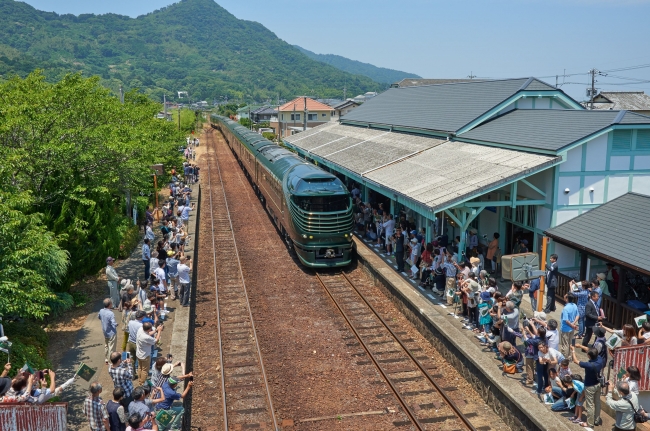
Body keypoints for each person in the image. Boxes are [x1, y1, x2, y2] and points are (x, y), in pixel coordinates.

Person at [570, 345, 604, 428]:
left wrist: (573, 350)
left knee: (590, 405)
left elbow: (575, 361)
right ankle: (596, 419)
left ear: (589, 356)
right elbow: (591, 351)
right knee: (597, 402)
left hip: (590, 386)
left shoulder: (589, 365)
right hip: (598, 384)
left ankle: (589, 423)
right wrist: (580, 346)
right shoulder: (600, 359)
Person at [99, 298, 118, 365]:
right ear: (110, 304)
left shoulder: (101, 311)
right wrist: (116, 324)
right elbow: (113, 323)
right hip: (111, 333)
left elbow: (99, 317)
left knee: (106, 345)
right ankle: (111, 361)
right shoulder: (111, 313)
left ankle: (106, 358)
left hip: (105, 332)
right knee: (111, 347)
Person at [127, 311, 146, 376]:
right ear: (141, 317)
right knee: (140, 359)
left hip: (130, 342)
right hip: (137, 344)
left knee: (132, 358)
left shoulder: (130, 322)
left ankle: (132, 374)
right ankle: (140, 374)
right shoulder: (141, 325)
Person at [560, 293, 579, 358]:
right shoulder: (575, 305)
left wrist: (571, 325)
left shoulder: (566, 308)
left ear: (567, 298)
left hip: (565, 328)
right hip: (572, 328)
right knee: (571, 343)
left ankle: (564, 357)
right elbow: (577, 315)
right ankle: (570, 356)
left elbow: (566, 320)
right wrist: (573, 323)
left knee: (565, 344)